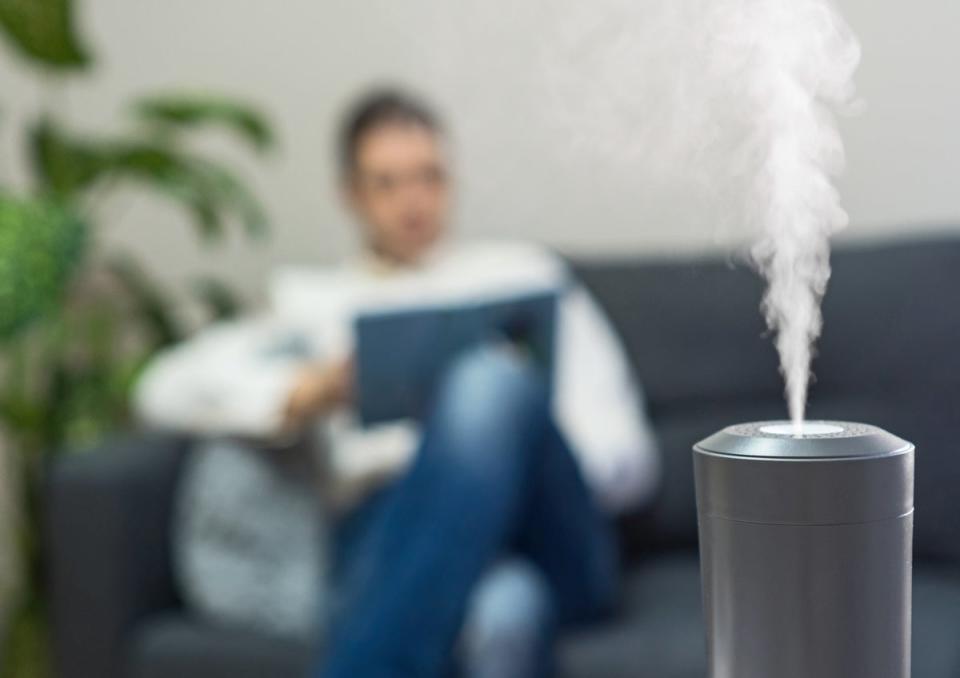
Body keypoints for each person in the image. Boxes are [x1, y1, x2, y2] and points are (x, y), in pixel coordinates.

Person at [135, 88, 661, 678]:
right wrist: (299, 394)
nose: (413, 201)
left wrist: (498, 466)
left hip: (549, 530)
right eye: (387, 182)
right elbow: (159, 387)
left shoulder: (524, 274)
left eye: (429, 177)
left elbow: (629, 457)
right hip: (390, 536)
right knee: (502, 613)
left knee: (489, 384)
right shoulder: (315, 305)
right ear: (351, 196)